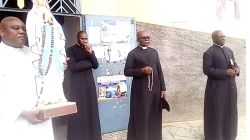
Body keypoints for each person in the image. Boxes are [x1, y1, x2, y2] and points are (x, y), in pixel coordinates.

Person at [0, 16, 54, 140]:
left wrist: (58, 68)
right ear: (2, 32)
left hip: (41, 117)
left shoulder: (34, 53)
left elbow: (44, 78)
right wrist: (21, 112)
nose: (21, 31)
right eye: (15, 28)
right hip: (15, 122)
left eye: (24, 29)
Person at [124, 31, 167, 140]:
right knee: (141, 115)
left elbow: (159, 70)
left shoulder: (154, 52)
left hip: (155, 91)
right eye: (144, 37)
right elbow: (127, 71)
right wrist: (141, 71)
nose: (147, 39)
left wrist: (163, 88)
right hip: (140, 92)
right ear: (138, 39)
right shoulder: (133, 53)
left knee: (155, 116)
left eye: (148, 37)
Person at [26, 0, 67, 105]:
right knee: (43, 72)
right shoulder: (32, 15)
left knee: (55, 72)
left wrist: (51, 24)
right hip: (42, 50)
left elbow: (59, 32)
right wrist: (44, 23)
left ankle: (57, 96)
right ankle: (43, 97)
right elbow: (32, 32)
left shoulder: (50, 14)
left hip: (54, 51)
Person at [203, 30, 240, 140]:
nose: (224, 38)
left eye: (224, 36)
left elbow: (234, 63)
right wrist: (224, 72)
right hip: (216, 89)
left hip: (231, 88)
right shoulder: (209, 52)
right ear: (214, 39)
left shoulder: (229, 51)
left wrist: (237, 69)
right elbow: (207, 70)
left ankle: (230, 135)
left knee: (230, 111)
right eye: (221, 37)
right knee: (218, 112)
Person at [66, 31, 102, 140]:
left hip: (89, 85)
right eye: (82, 39)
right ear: (77, 38)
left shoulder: (89, 50)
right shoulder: (70, 50)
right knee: (78, 112)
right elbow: (72, 67)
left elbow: (95, 65)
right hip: (77, 86)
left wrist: (90, 53)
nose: (85, 41)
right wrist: (88, 63)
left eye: (86, 39)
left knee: (91, 110)